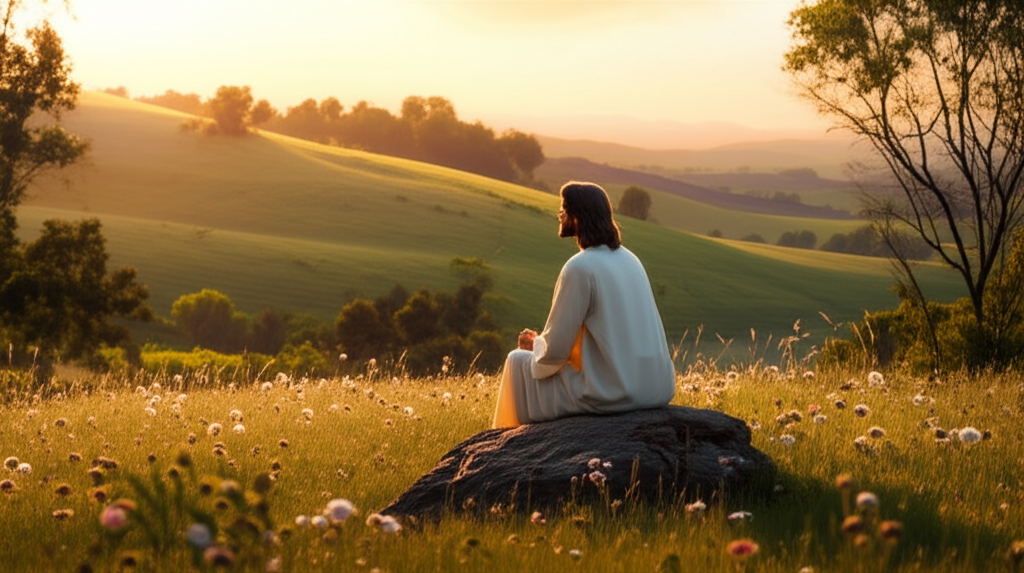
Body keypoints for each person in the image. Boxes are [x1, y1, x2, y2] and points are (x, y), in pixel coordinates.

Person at [492, 181, 675, 428]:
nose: (560, 214)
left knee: (516, 360)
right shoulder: (631, 259)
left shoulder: (579, 267)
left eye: (564, 209)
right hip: (656, 387)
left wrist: (535, 346)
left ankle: (508, 446)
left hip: (611, 392)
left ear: (577, 217)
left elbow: (555, 351)